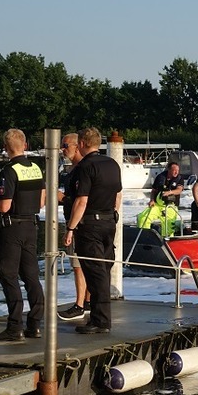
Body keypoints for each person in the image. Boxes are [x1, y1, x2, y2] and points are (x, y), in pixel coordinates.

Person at [63, 127, 122, 335]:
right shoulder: (112, 164)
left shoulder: (85, 167)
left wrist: (70, 228)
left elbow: (81, 200)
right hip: (109, 222)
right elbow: (118, 195)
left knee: (94, 272)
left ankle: (100, 320)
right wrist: (112, 214)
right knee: (103, 269)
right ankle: (100, 317)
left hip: (90, 224)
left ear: (81, 144)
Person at [0, 128, 45, 342]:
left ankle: (14, 325)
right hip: (31, 225)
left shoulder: (8, 171)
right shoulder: (36, 167)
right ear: (25, 145)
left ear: (7, 148)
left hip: (12, 226)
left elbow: (5, 206)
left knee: (8, 274)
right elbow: (42, 200)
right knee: (31, 276)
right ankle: (35, 324)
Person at [57, 132, 91, 321]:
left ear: (77, 146)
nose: (63, 149)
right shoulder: (76, 169)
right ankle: (86, 301)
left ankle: (80, 304)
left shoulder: (81, 170)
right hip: (82, 221)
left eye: (66, 146)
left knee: (79, 265)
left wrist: (60, 198)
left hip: (78, 223)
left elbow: (80, 199)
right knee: (84, 264)